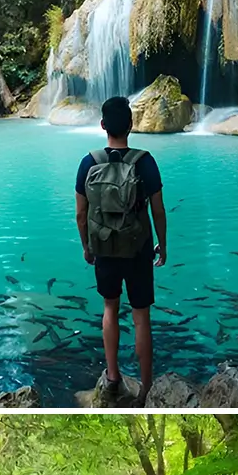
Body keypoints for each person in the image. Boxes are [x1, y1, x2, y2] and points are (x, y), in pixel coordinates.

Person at [75, 95, 167, 407]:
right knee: (141, 317)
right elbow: (158, 211)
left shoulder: (89, 162)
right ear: (131, 125)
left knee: (110, 309)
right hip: (138, 249)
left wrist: (87, 246)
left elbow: (80, 213)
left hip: (104, 248)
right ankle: (146, 387)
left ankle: (112, 377)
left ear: (103, 126)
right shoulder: (145, 161)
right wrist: (162, 246)